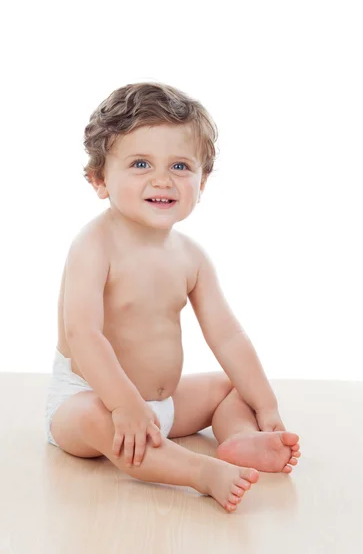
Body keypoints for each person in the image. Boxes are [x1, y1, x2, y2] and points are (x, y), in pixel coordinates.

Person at [45, 81, 301, 513]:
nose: (162, 179)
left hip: (163, 405)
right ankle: (198, 472)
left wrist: (265, 403)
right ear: (99, 178)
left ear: (203, 181)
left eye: (181, 166)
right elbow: (83, 334)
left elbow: (228, 336)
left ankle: (238, 440)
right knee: (93, 417)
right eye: (141, 163)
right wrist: (123, 404)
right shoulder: (94, 246)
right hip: (93, 399)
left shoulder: (191, 257)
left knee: (229, 386)